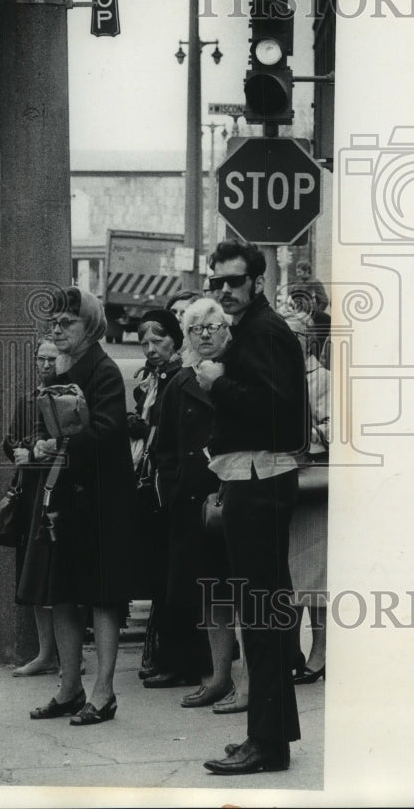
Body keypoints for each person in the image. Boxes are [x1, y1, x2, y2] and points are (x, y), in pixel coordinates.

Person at [198, 240, 310, 776]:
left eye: (234, 281)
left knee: (262, 619)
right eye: (217, 281)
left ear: (257, 282)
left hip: (259, 480)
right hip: (254, 478)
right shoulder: (253, 328)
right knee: (264, 616)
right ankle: (270, 738)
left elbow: (275, 410)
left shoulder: (263, 330)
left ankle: (266, 745)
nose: (224, 291)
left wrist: (219, 385)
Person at [19, 286, 133, 726]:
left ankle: (103, 694)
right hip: (67, 496)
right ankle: (69, 688)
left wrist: (59, 444)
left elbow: (106, 431)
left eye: (67, 322)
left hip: (101, 500)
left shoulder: (102, 371)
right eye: (54, 323)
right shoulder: (64, 367)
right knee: (62, 593)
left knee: (102, 598)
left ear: (91, 327)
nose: (57, 329)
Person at [155, 297, 240, 709]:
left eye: (213, 326)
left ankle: (248, 682)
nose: (205, 335)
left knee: (246, 593)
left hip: (238, 498)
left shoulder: (239, 373)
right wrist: (174, 490)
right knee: (211, 595)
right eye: (195, 329)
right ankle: (218, 677)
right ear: (186, 336)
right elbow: (165, 447)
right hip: (195, 507)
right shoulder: (179, 382)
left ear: (227, 329)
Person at [126, 309, 198, 688]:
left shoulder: (178, 378)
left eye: (158, 341)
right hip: (155, 482)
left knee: (173, 577)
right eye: (144, 343)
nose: (151, 349)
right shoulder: (155, 379)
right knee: (161, 574)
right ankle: (168, 656)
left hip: (170, 486)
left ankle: (178, 660)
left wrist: (143, 427)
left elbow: (172, 432)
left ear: (176, 339)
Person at [3, 337, 60, 677]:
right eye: (41, 359)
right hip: (31, 494)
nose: (45, 365)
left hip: (58, 493)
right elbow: (9, 442)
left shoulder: (71, 398)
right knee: (34, 574)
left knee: (61, 575)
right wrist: (21, 450)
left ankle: (70, 655)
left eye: (51, 359)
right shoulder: (28, 398)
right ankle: (44, 652)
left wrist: (35, 453)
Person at [283, 313, 329, 685]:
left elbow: (337, 429)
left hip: (315, 485)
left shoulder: (323, 380)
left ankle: (320, 651)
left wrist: (308, 425)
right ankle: (291, 650)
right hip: (285, 483)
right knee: (290, 574)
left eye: (293, 335)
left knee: (315, 578)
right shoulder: (278, 376)